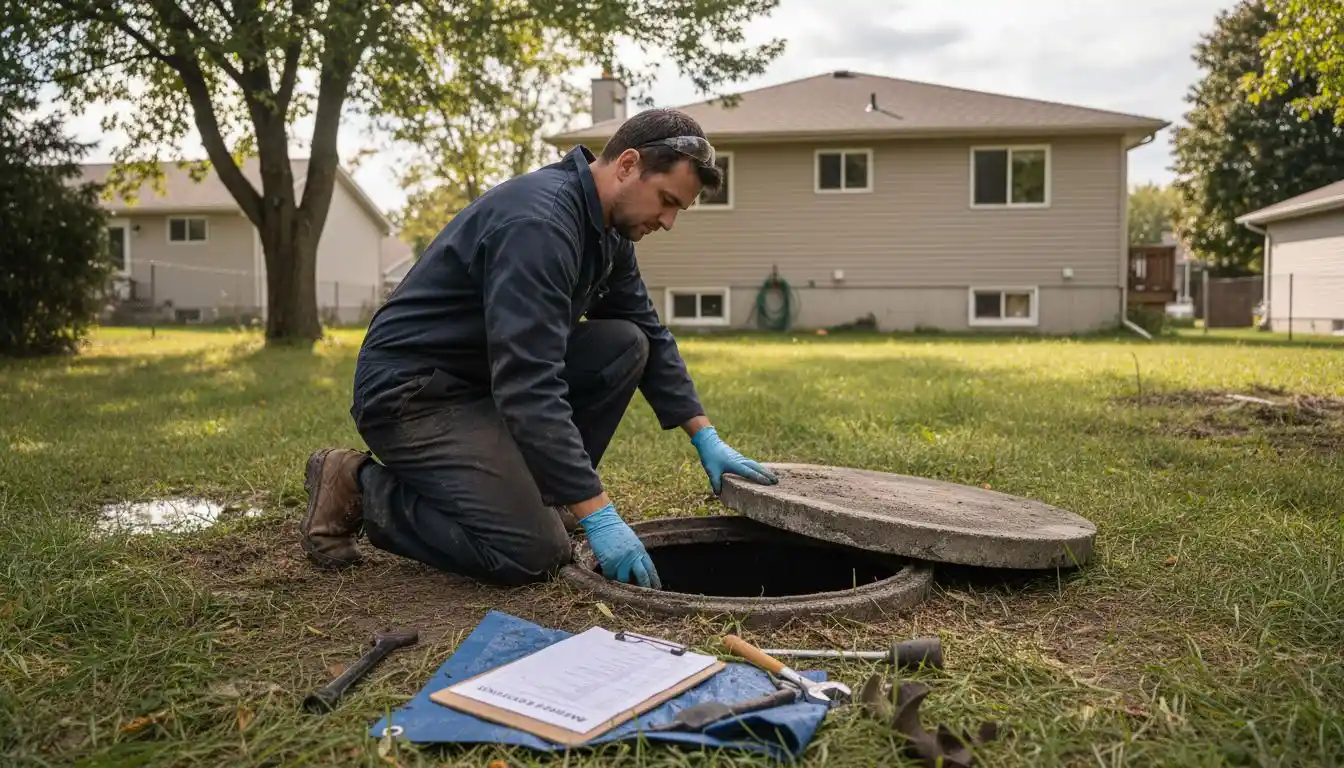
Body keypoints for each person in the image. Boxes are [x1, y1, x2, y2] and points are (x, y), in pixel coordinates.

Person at [299, 108, 777, 591]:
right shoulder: (540, 224)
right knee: (532, 553)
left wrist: (704, 435)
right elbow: (529, 384)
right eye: (667, 200)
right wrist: (600, 513)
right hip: (414, 393)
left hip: (480, 380)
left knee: (624, 344)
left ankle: (546, 495)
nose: (669, 222)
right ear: (629, 165)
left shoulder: (607, 229)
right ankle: (357, 483)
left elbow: (646, 329)